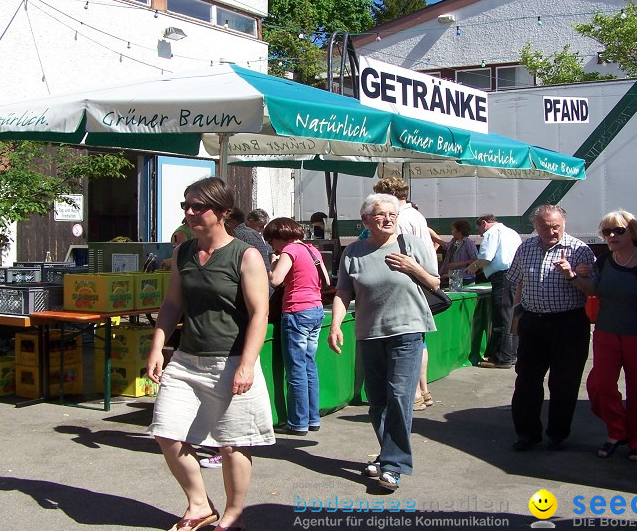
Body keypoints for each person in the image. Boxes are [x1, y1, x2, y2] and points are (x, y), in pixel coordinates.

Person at [145, 177, 274, 531]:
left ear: (223, 212)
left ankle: (233, 512)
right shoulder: (182, 252)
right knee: (166, 432)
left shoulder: (245, 255)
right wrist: (158, 346)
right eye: (186, 206)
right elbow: (173, 303)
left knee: (233, 444)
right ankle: (199, 505)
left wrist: (247, 365)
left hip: (231, 361)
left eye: (197, 206)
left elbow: (259, 313)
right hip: (187, 360)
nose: (189, 212)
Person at [328, 193, 438, 491]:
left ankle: (393, 465)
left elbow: (435, 282)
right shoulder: (353, 252)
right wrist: (335, 325)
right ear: (365, 220)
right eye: (380, 214)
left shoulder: (412, 245)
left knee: (400, 395)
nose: (388, 219)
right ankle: (388, 453)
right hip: (369, 332)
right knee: (377, 401)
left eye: (392, 214)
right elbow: (343, 293)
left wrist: (413, 268)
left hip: (408, 329)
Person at [576, 211, 637, 461]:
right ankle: (618, 431)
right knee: (600, 386)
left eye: (618, 231)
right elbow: (593, 290)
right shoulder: (605, 260)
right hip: (607, 334)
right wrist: (574, 276)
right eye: (606, 232)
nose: (611, 236)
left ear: (633, 231)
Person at [505, 204, 596, 451]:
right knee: (527, 380)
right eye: (545, 227)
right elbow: (515, 281)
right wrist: (517, 315)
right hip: (533, 322)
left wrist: (572, 276)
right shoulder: (526, 247)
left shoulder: (580, 250)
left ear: (563, 224)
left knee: (564, 382)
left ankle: (558, 434)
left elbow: (594, 290)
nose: (551, 231)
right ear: (535, 227)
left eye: (556, 226)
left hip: (568, 323)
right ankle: (527, 433)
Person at [372, 177, 437, 411]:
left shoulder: (399, 218)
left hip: (405, 282)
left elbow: (389, 250)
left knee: (408, 341)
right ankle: (424, 390)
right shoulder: (417, 215)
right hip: (422, 279)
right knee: (420, 342)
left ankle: (416, 393)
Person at [264, 217, 326, 436]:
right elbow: (325, 279)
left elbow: (275, 281)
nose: (272, 247)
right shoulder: (312, 250)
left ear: (280, 237)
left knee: (296, 369)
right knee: (309, 366)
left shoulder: (290, 251)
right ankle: (312, 418)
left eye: (272, 241)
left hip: (296, 311)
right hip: (316, 309)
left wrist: (273, 263)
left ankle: (298, 422)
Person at [465, 214, 523, 369]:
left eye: (479, 229)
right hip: (515, 276)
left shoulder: (492, 233)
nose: (480, 234)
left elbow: (486, 257)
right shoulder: (511, 232)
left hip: (502, 277)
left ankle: (500, 358)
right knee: (511, 316)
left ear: (484, 223)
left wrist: (474, 266)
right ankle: (511, 354)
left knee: (501, 318)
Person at [439, 219, 478, 287]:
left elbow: (475, 259)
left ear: (459, 231)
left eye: (453, 229)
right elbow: (445, 245)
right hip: (453, 277)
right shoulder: (454, 242)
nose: (452, 232)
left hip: (465, 278)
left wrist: (457, 264)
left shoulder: (468, 243)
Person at [233, 209, 272, 275]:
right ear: (251, 221)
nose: (262, 228)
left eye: (264, 226)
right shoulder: (245, 234)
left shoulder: (260, 234)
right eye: (260, 226)